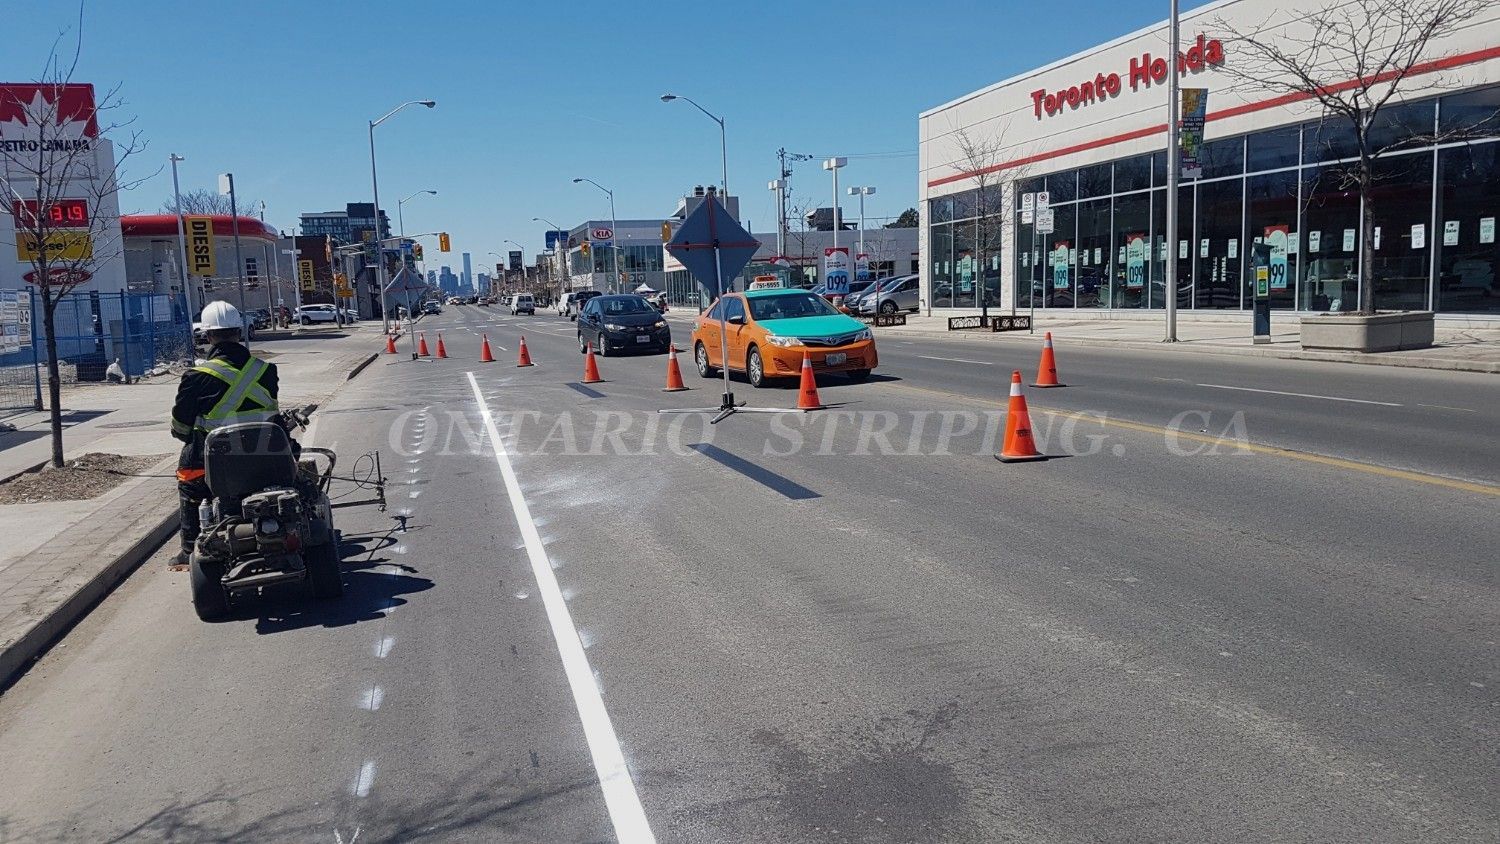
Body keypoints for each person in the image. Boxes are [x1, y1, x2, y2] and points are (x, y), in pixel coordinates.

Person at [169, 301, 280, 566]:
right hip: (266, 453)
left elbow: (182, 426)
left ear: (207, 336)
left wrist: (186, 435)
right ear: (239, 333)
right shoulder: (265, 370)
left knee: (188, 477)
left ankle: (189, 551)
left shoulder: (196, 376)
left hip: (218, 460)